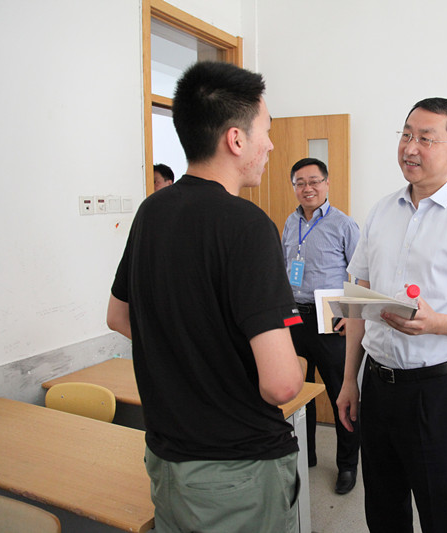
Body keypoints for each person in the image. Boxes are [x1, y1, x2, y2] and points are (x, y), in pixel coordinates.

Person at [106, 61, 304, 533]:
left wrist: (190, 359)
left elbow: (118, 316)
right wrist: (296, 363)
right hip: (238, 470)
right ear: (236, 139)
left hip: (167, 459)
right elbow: (281, 386)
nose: (270, 145)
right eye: (266, 131)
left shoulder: (151, 211)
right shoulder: (248, 225)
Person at [336, 97, 447, 533]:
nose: (410, 148)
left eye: (425, 138)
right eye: (405, 135)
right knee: (383, 507)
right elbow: (358, 299)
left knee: (444, 513)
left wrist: (443, 323)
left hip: (439, 393)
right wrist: (349, 380)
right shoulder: (381, 211)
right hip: (378, 385)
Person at [281, 157, 362, 494]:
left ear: (326, 183)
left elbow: (363, 274)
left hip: (330, 316)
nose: (307, 188)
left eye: (314, 181)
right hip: (293, 316)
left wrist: (351, 312)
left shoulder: (344, 224)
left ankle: (348, 465)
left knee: (341, 392)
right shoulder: (290, 223)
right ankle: (307, 455)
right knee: (299, 391)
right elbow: (284, 268)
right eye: (300, 182)